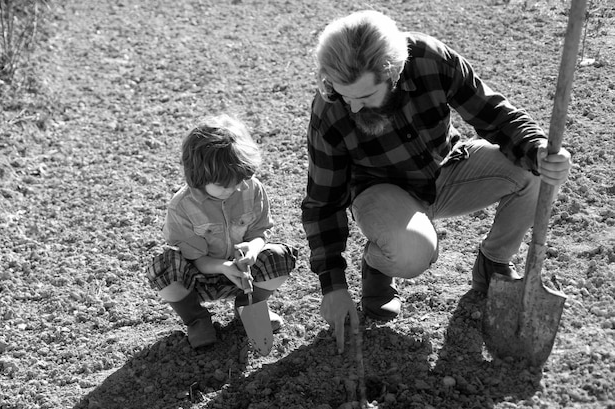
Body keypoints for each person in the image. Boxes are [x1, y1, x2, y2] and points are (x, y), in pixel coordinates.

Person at [301, 10, 572, 354]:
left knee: (530, 170)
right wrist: (334, 286)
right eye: (344, 95)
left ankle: (493, 262)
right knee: (412, 254)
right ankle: (378, 262)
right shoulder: (331, 110)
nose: (353, 108)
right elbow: (323, 203)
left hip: (448, 168)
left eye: (365, 97)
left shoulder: (431, 59)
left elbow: (495, 116)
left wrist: (539, 151)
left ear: (394, 73)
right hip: (382, 192)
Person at [146, 114, 297, 348]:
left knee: (279, 257)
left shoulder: (251, 189)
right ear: (199, 176)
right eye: (223, 185)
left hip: (243, 275)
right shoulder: (182, 206)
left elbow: (260, 231)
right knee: (162, 265)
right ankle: (197, 319)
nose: (233, 189)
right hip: (199, 278)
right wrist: (223, 267)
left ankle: (249, 306)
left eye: (238, 181)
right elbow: (195, 258)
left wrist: (253, 250)